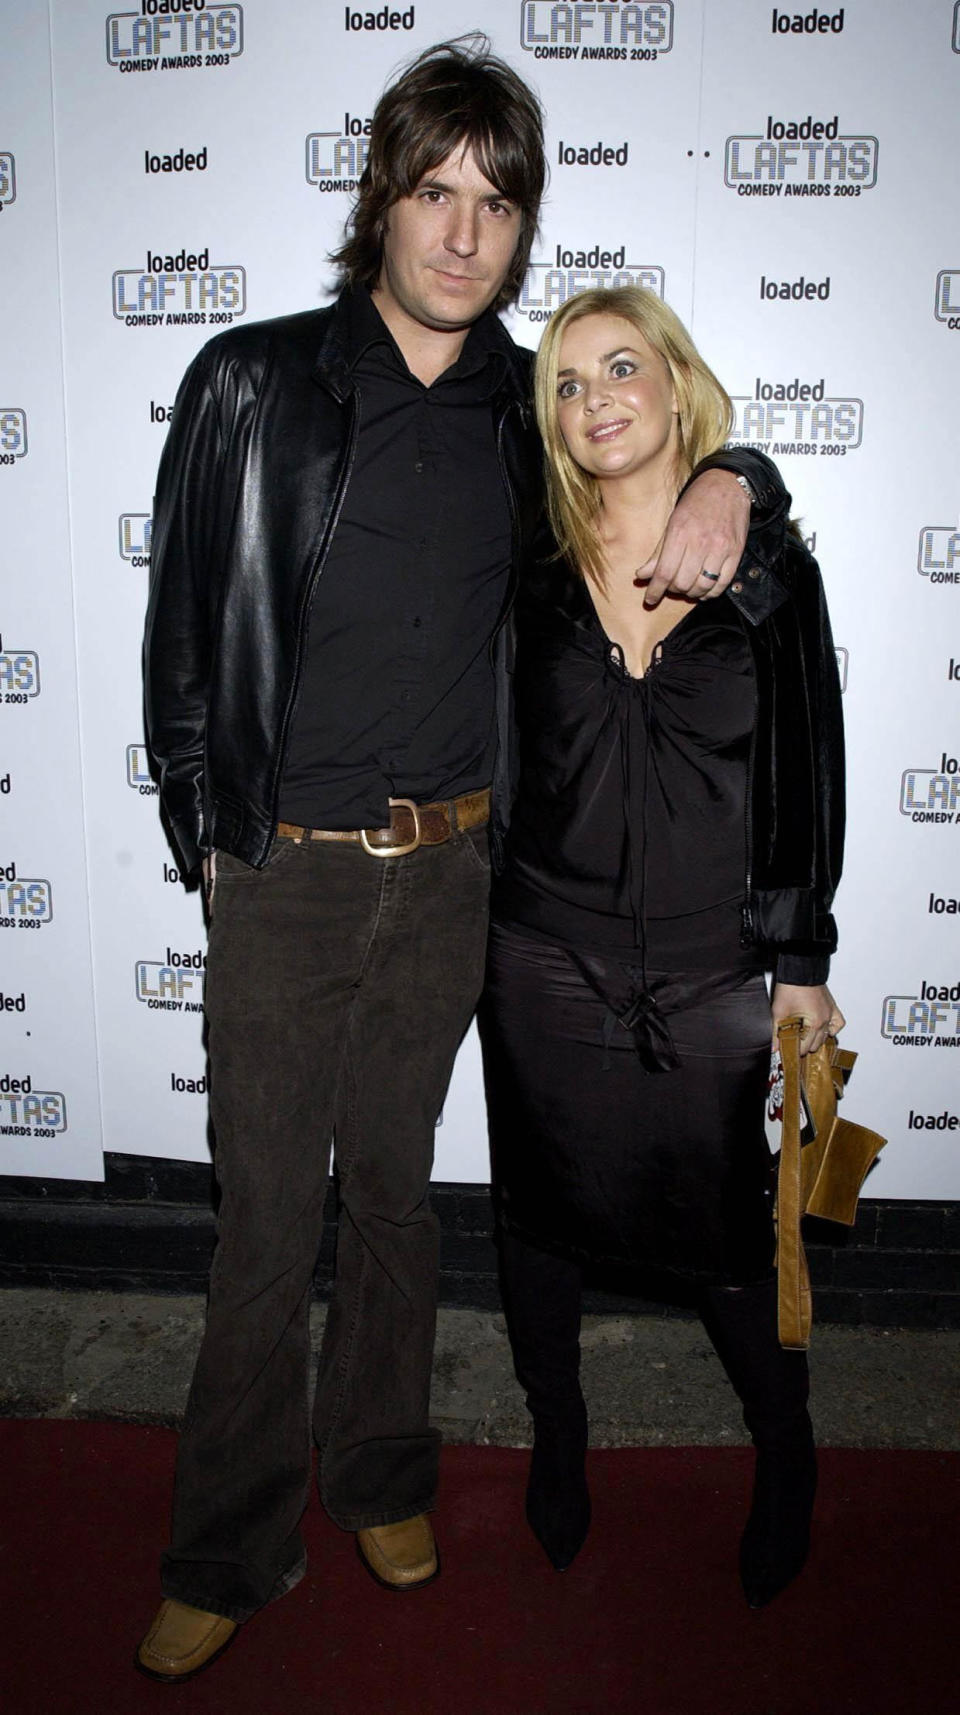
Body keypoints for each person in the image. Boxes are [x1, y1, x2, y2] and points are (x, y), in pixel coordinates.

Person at [137, 40, 785, 1682]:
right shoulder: (250, 380)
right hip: (282, 873)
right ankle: (227, 1537)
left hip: (451, 878)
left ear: (523, 230)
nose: (461, 231)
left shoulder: (533, 417)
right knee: (267, 1224)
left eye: (497, 203)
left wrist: (739, 471)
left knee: (403, 1209)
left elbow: (677, 473)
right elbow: (181, 632)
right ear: (385, 199)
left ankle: (379, 1473)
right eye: (434, 191)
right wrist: (207, 832)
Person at [478, 285, 845, 1607]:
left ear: (678, 383)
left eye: (621, 369)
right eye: (568, 384)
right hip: (539, 954)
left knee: (733, 1242)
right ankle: (561, 1432)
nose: (595, 402)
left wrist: (797, 961)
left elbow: (809, 770)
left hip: (705, 969)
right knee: (539, 1218)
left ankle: (787, 1448)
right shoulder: (526, 566)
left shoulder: (766, 574)